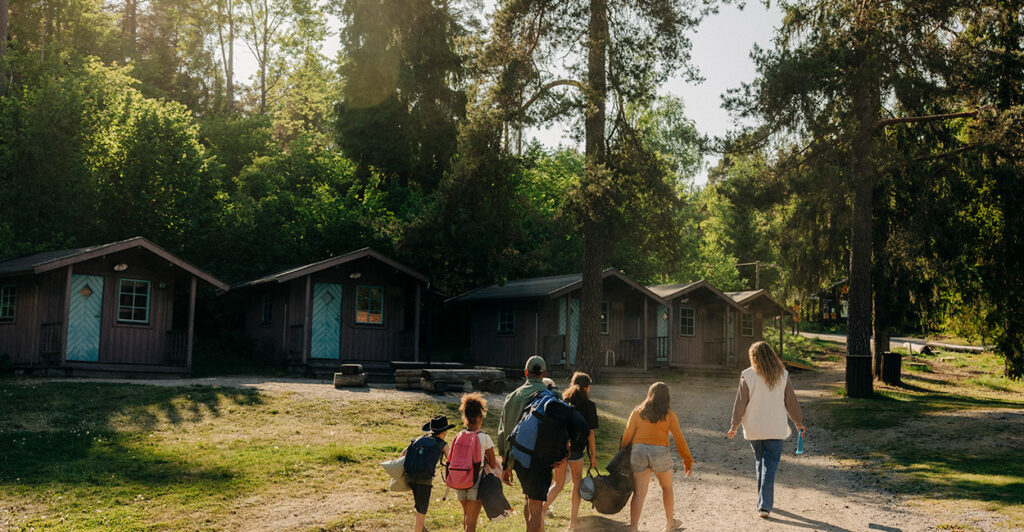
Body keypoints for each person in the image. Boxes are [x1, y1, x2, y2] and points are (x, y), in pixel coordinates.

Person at [728, 341, 805, 519]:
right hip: (775, 427)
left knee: (760, 462)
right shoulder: (782, 375)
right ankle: (764, 504)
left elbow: (740, 403)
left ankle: (763, 501)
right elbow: (791, 402)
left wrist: (734, 426)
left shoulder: (747, 375)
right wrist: (798, 422)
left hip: (754, 427)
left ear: (753, 357)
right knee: (769, 464)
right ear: (771, 355)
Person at [497, 355, 561, 532]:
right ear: (544, 373)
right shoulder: (552, 396)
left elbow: (503, 432)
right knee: (536, 508)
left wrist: (505, 465)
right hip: (540, 461)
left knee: (529, 497)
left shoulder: (511, 397)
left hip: (519, 459)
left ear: (526, 372)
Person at [621, 382, 693, 532]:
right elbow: (679, 438)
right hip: (660, 453)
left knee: (639, 493)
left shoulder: (637, 412)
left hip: (639, 452)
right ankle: (669, 524)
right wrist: (687, 459)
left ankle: (633, 527)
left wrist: (622, 453)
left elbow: (627, 434)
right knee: (667, 488)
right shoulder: (669, 415)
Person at [543, 371, 598, 529]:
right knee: (577, 483)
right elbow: (591, 434)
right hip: (576, 450)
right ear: (587, 388)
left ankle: (540, 511)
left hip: (560, 448)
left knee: (558, 484)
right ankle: (573, 521)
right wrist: (593, 456)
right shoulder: (589, 406)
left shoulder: (562, 401)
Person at [452, 393, 500, 532]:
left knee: (467, 517)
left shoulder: (459, 436)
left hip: (459, 482)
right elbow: (492, 463)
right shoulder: (484, 438)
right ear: (479, 417)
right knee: (472, 523)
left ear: (465, 417)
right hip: (475, 482)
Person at [401, 415, 454, 532]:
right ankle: (418, 529)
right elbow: (451, 462)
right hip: (424, 480)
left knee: (419, 505)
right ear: (444, 432)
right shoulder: (443, 445)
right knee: (421, 512)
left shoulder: (420, 439)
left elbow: (404, 453)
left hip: (410, 476)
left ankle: (422, 529)